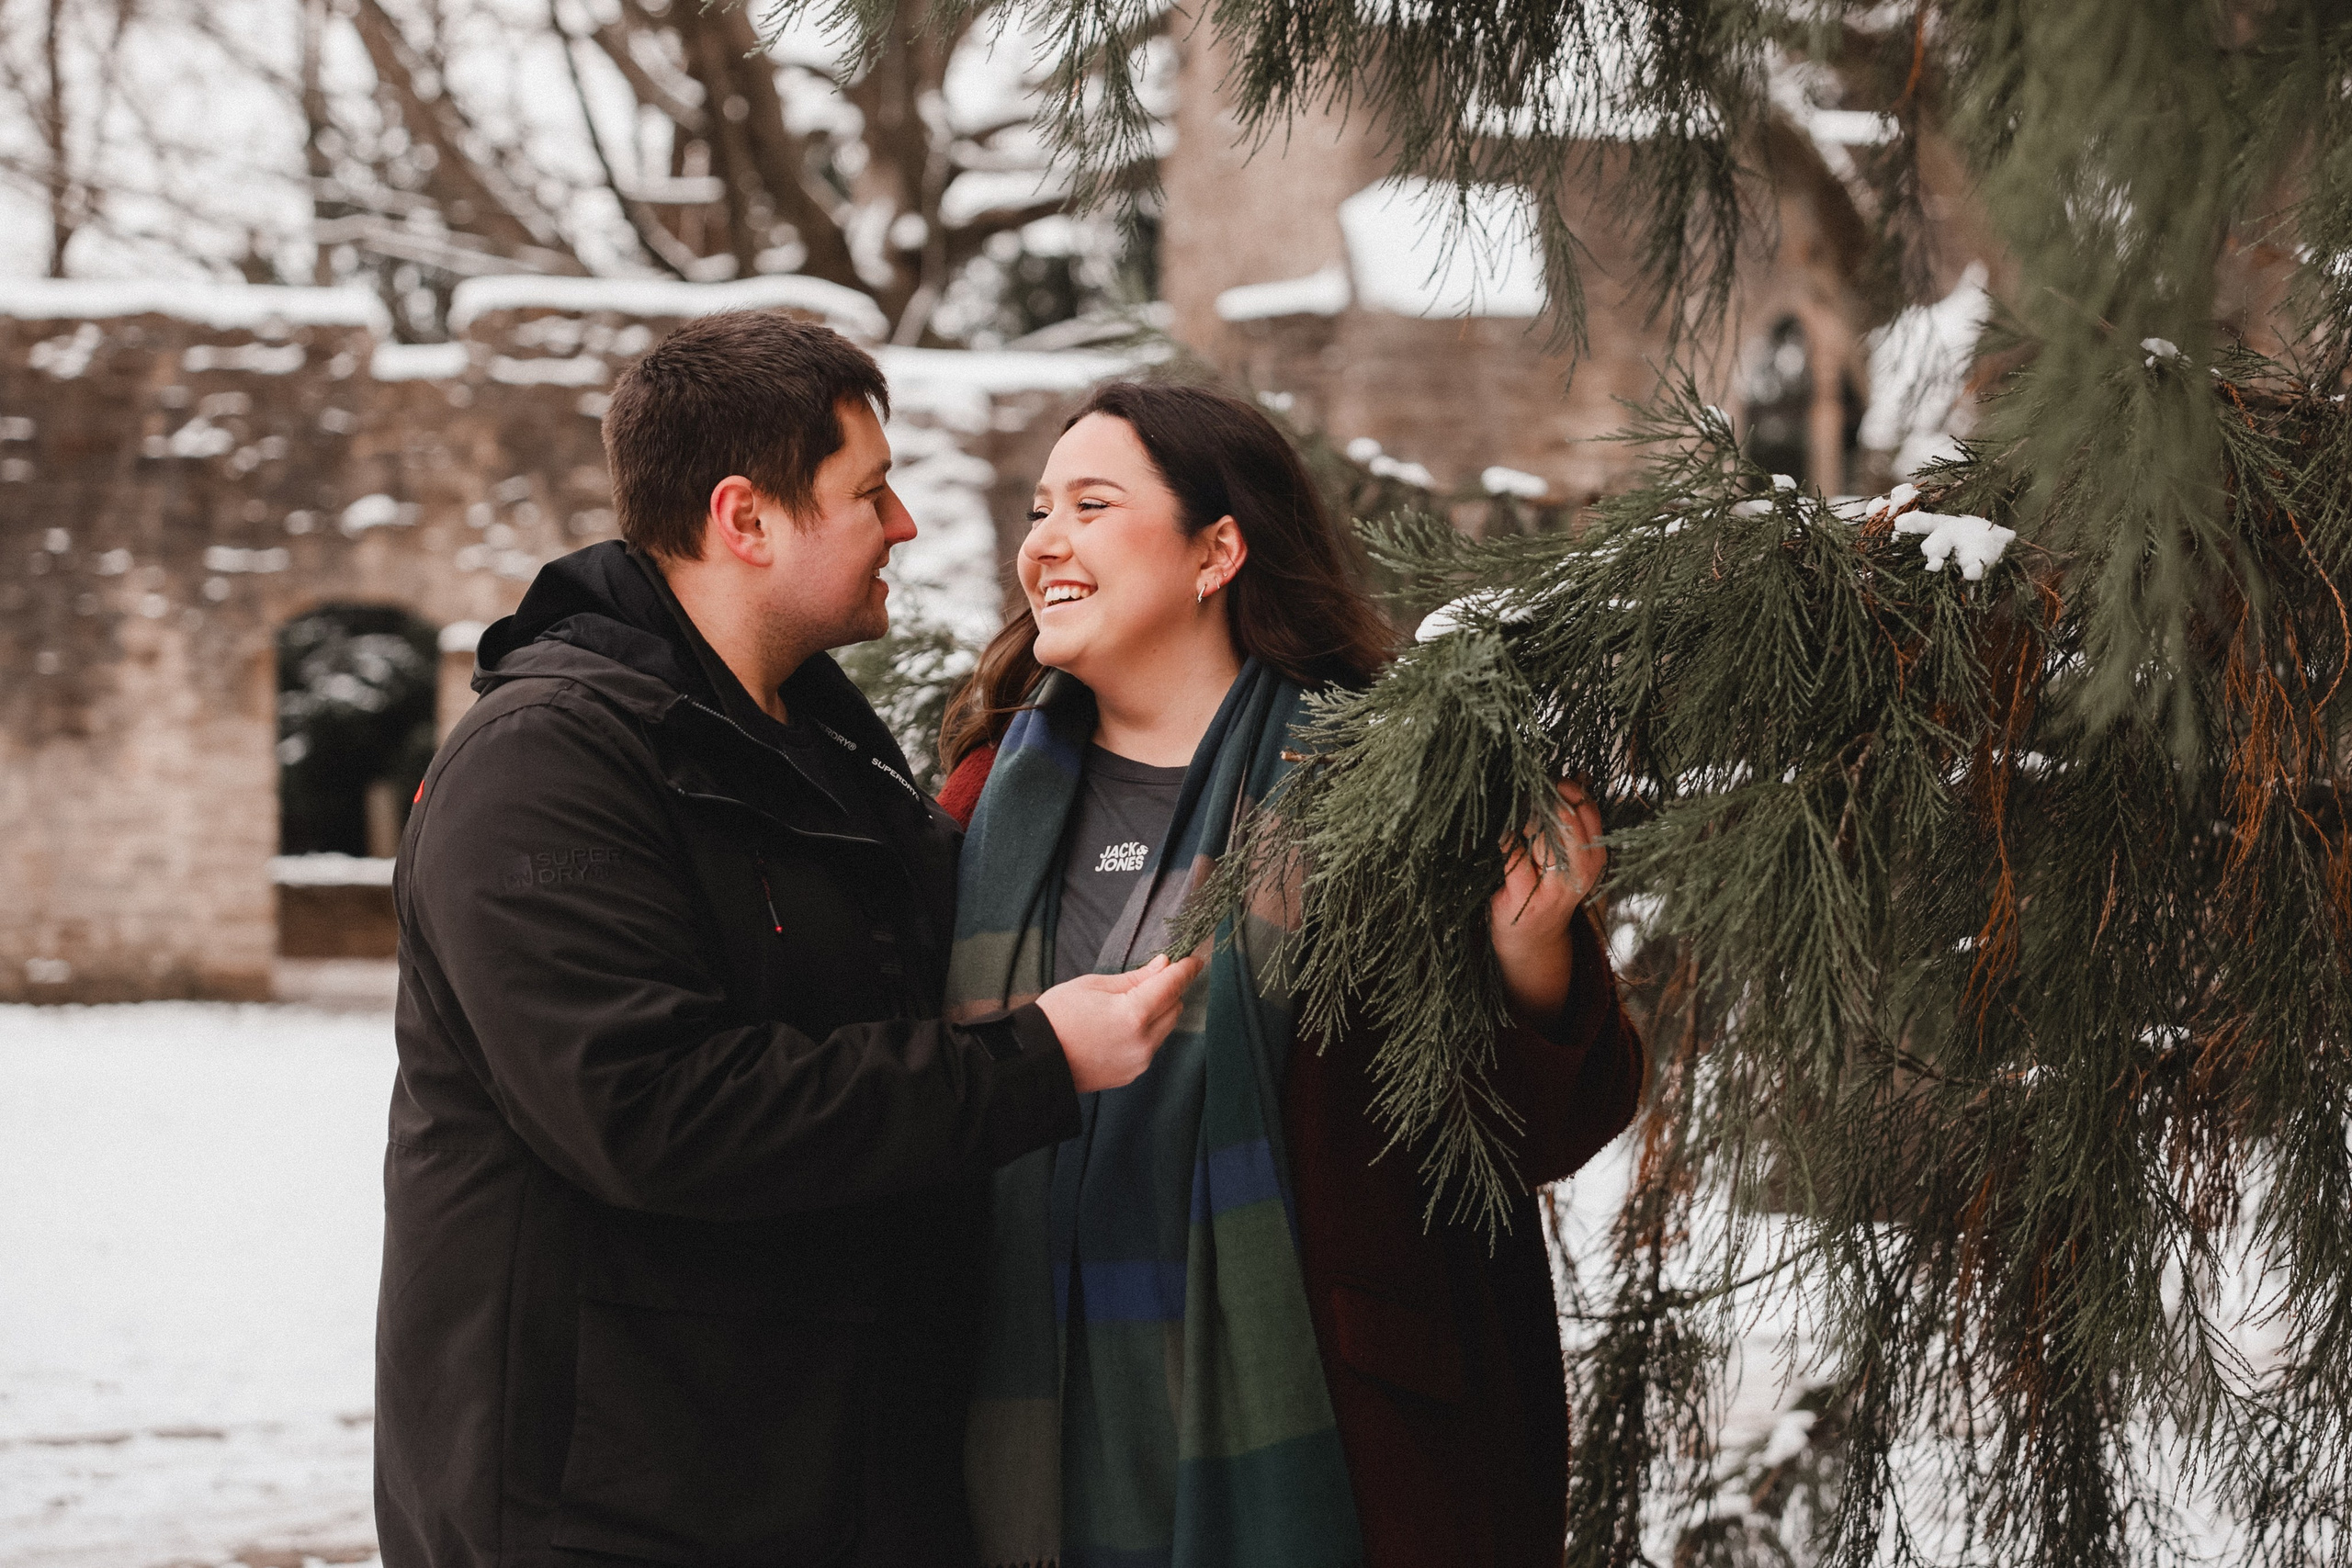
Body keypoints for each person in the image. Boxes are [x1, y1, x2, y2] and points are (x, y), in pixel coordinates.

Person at [376, 313, 1201, 1568]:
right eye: (869, 491)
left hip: (812, 1476)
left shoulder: (828, 754)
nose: (905, 524)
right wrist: (1035, 1062)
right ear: (744, 519)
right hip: (609, 1506)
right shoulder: (545, 765)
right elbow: (650, 1112)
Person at [935, 381, 1645, 1568]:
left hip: (1325, 1436)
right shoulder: (975, 805)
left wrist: (1532, 952)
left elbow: (1528, 1138)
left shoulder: (1378, 784)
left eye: (1091, 505)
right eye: (1036, 509)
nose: (1043, 543)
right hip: (1027, 1427)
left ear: (1218, 550)